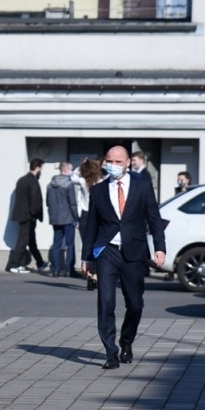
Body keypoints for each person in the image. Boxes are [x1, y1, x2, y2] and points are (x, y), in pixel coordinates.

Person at [80, 144, 167, 370]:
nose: (113, 165)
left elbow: (154, 218)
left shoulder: (142, 185)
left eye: (118, 162)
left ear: (128, 163)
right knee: (106, 302)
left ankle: (126, 341)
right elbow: (91, 226)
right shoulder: (98, 191)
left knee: (135, 304)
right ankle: (111, 352)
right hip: (106, 251)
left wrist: (160, 247)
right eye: (110, 161)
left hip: (134, 251)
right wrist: (86, 257)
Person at [7, 158, 46, 274]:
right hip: (28, 216)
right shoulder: (32, 181)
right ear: (38, 167)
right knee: (24, 240)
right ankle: (15, 265)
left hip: (22, 215)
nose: (41, 171)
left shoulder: (22, 180)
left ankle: (40, 262)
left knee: (31, 240)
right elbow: (34, 199)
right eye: (41, 168)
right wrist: (34, 214)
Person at [46, 161, 80, 277]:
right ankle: (69, 269)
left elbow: (48, 202)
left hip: (55, 218)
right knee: (70, 244)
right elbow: (72, 203)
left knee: (56, 244)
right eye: (71, 169)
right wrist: (77, 218)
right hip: (68, 218)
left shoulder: (50, 184)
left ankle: (55, 270)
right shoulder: (69, 184)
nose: (72, 172)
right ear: (66, 171)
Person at [78, 157, 102, 291]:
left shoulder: (82, 182)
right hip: (97, 215)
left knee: (87, 245)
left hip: (85, 215)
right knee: (96, 246)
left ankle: (89, 274)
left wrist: (82, 164)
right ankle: (96, 274)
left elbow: (73, 176)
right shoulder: (100, 181)